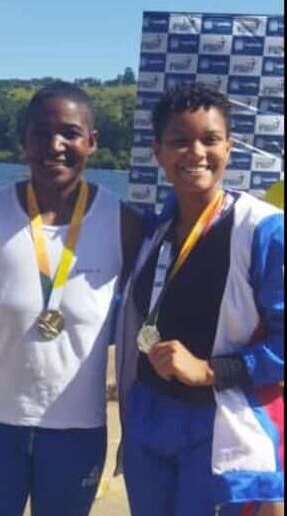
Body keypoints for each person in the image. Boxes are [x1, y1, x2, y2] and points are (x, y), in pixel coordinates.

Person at [0, 81, 142, 515]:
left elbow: (139, 326)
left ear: (92, 142)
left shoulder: (125, 224)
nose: (55, 146)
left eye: (70, 133)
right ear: (24, 141)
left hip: (77, 428)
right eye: (41, 133)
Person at [116, 83, 284, 516]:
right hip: (148, 420)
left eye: (210, 139)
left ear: (229, 147)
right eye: (179, 141)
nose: (195, 153)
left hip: (220, 426)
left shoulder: (263, 230)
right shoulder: (153, 231)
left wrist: (211, 370)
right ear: (157, 150)